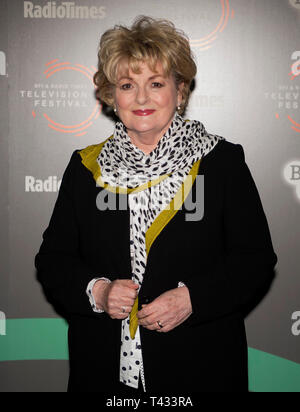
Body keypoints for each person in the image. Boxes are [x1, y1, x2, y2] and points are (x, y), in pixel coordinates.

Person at [35, 16, 277, 393]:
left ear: (180, 92)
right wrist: (97, 292)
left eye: (156, 83)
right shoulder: (85, 167)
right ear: (112, 97)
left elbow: (255, 259)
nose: (142, 98)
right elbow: (53, 260)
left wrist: (192, 299)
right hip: (104, 371)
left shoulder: (221, 162)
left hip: (202, 366)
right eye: (128, 85)